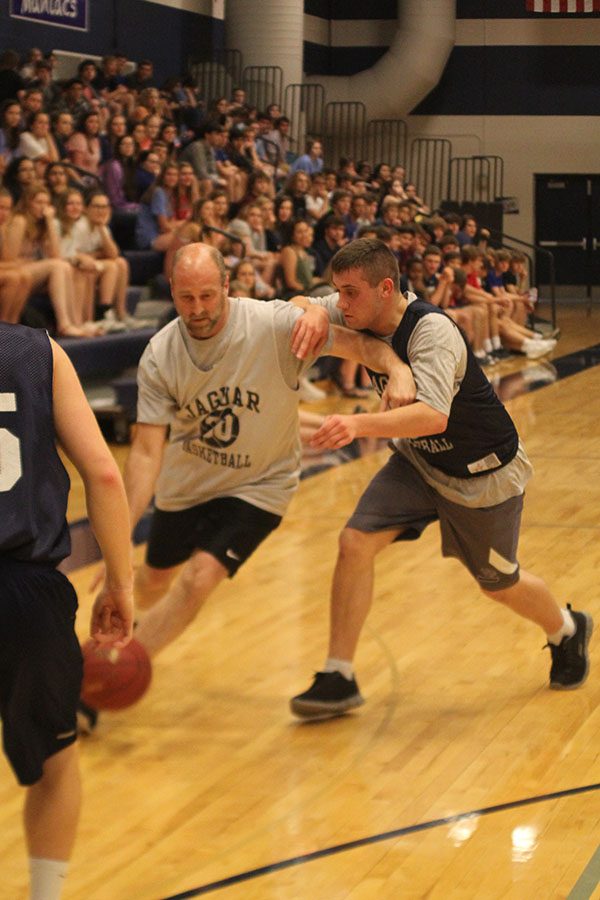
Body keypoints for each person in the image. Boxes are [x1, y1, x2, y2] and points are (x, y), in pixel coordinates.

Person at [290, 238, 592, 720]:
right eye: (337, 294)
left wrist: (356, 424)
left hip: (482, 475)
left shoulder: (432, 332)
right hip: (418, 465)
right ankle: (337, 675)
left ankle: (567, 629)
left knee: (498, 583)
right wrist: (307, 309)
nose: (341, 305)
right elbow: (302, 306)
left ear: (384, 288)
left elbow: (432, 417)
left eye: (350, 294)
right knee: (353, 542)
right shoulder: (356, 307)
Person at [94, 243, 414, 682]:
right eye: (187, 298)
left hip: (262, 484)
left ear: (227, 285)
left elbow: (358, 347)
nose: (198, 308)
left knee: (199, 578)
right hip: (187, 484)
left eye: (208, 295)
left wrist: (397, 368)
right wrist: (118, 541)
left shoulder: (271, 324)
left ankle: (110, 676)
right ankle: (132, 639)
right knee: (152, 582)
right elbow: (147, 453)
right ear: (172, 292)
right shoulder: (160, 354)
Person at [0, 321, 133, 899]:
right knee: (55, 762)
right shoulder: (36, 351)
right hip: (29, 592)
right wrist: (120, 584)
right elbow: (103, 472)